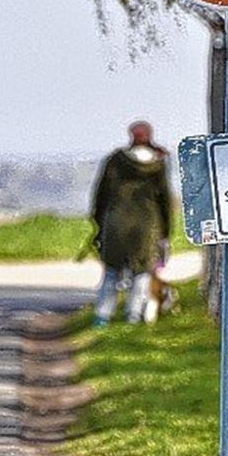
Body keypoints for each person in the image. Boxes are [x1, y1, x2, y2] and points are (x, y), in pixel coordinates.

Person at [90, 121, 172, 325]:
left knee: (111, 271)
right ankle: (133, 316)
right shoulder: (157, 163)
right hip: (147, 225)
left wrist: (99, 223)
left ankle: (103, 316)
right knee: (141, 272)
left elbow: (100, 195)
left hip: (115, 221)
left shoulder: (115, 161)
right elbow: (164, 200)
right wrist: (166, 231)